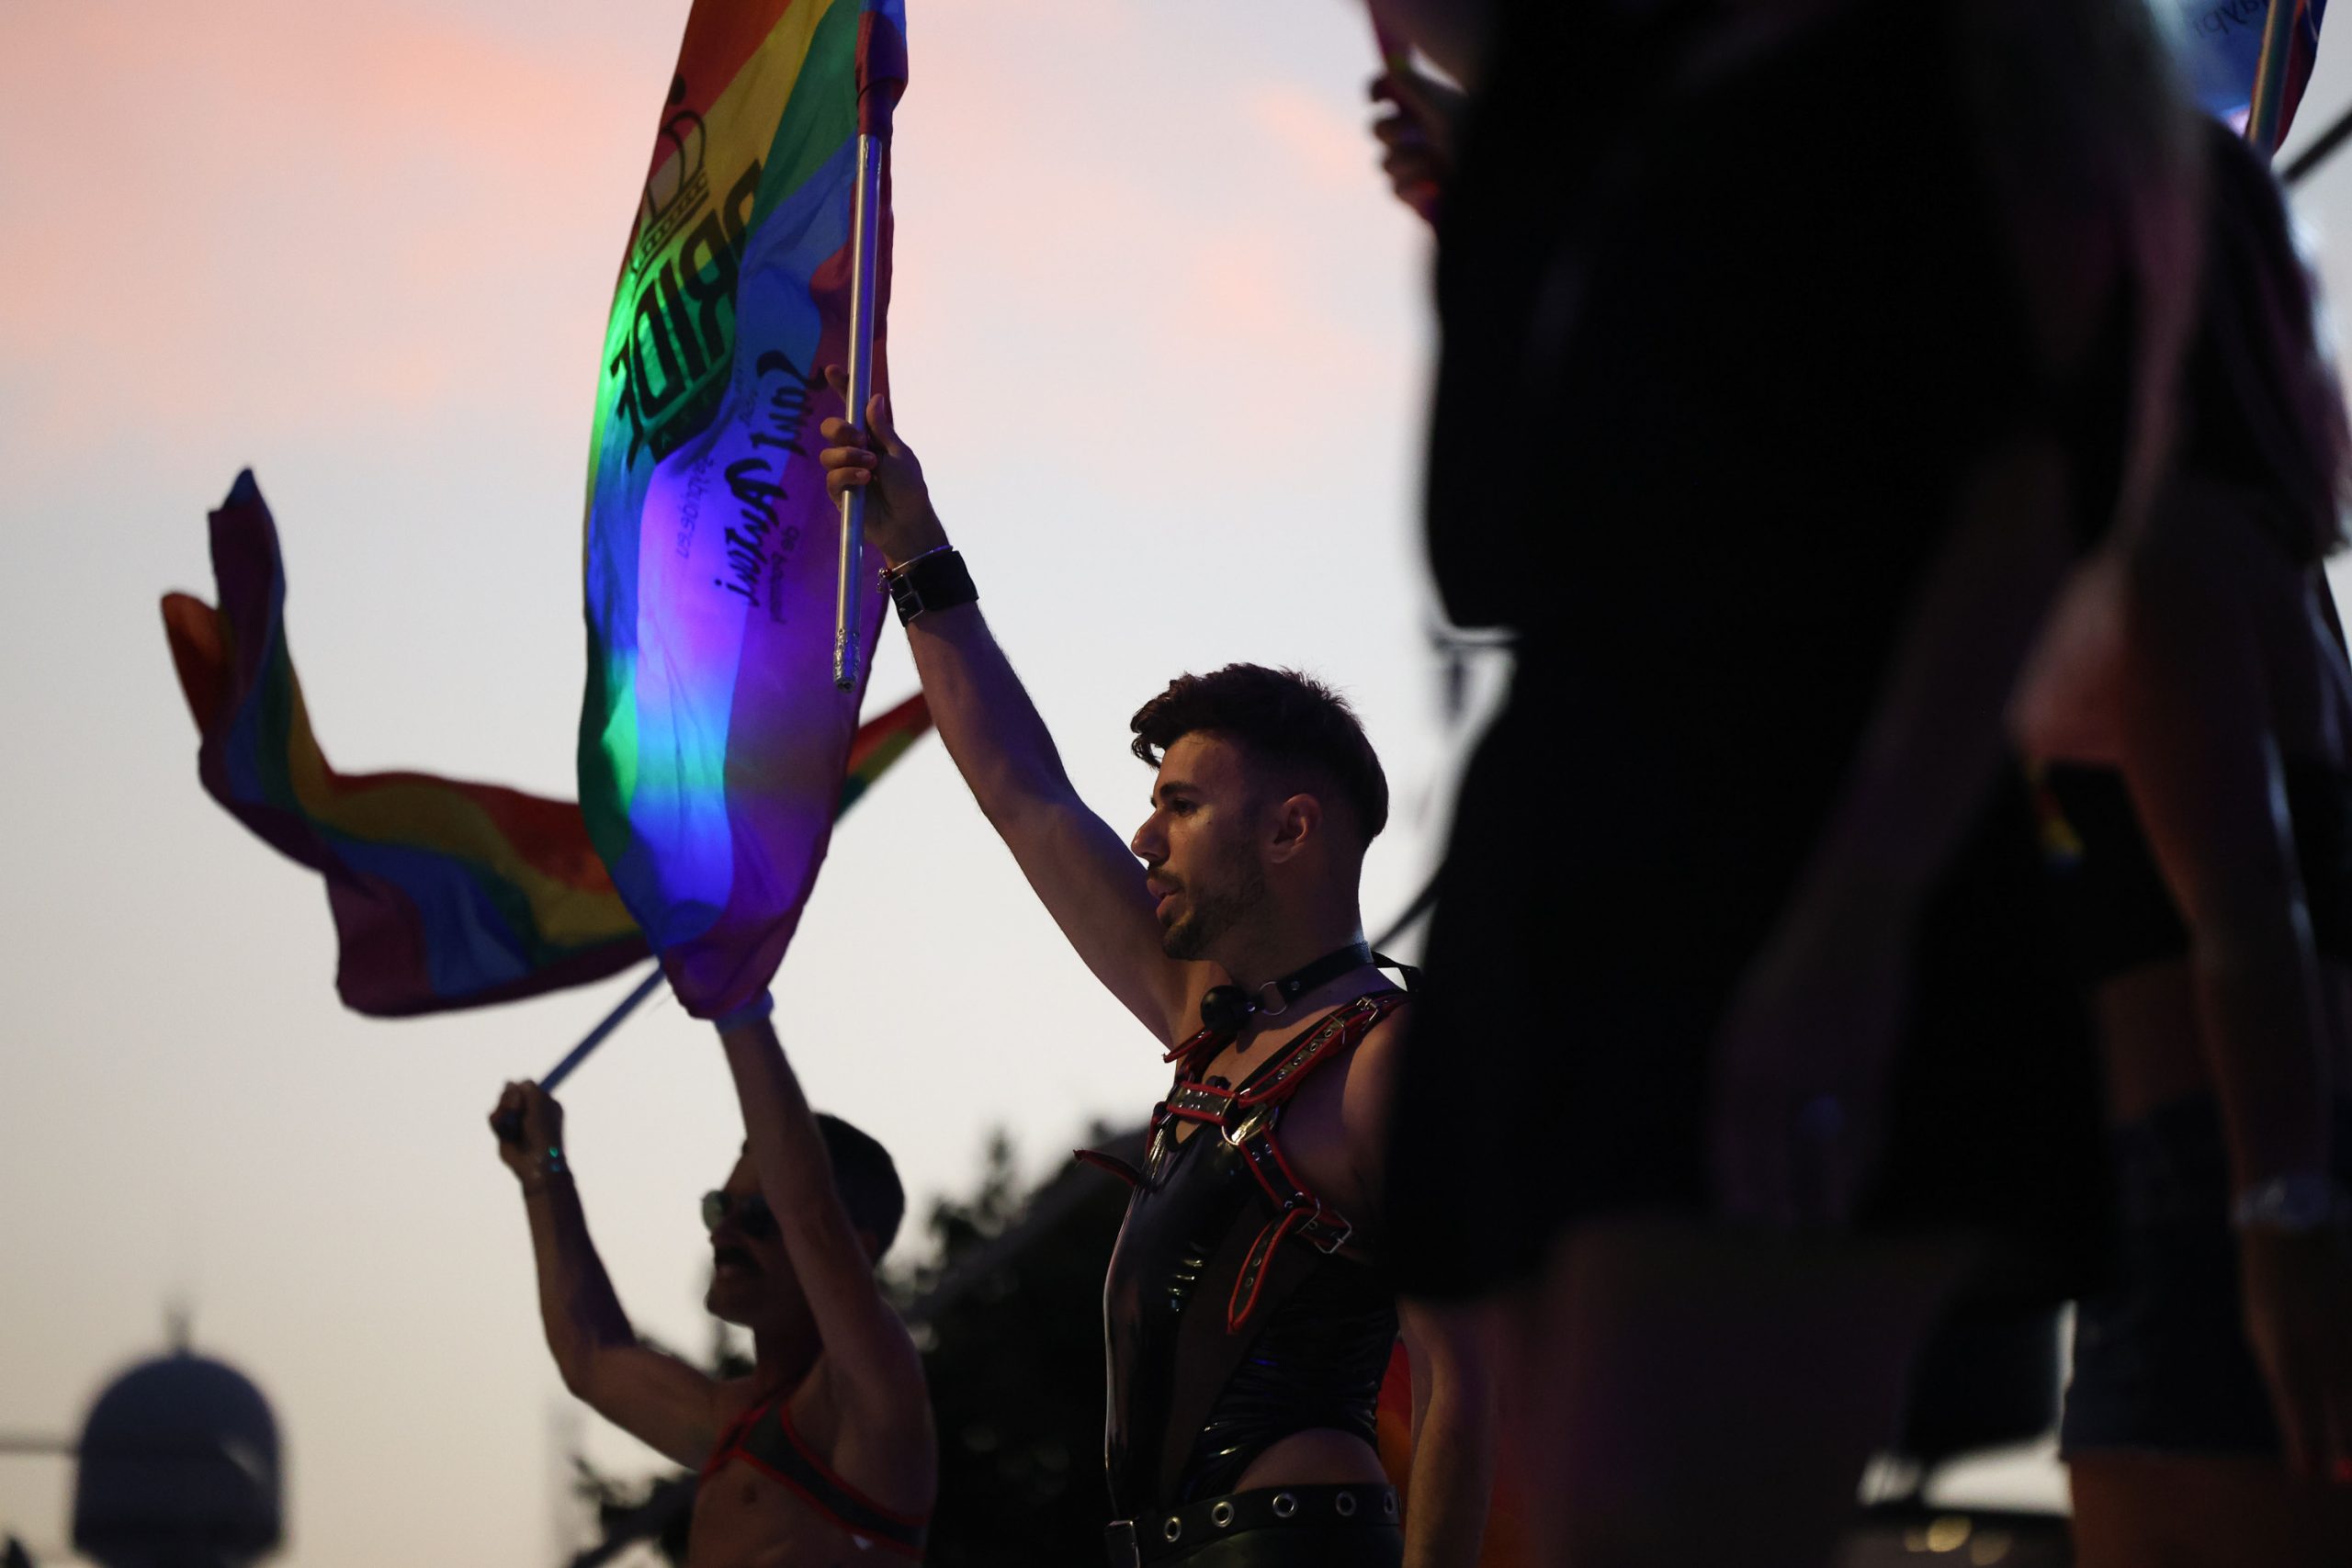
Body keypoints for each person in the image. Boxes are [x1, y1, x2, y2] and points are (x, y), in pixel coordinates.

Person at [1368, 1, 2202, 1565]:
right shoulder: (1591, 110)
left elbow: (2013, 508)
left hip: (1782, 853)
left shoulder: (1908, 78)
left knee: (1664, 1520)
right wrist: (1512, 217)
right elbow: (1494, 541)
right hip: (1583, 861)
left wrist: (1856, 921)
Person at [815, 396, 1495, 1568]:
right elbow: (1023, 793)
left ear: (1291, 830)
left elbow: (1466, 1388)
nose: (1142, 838)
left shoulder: (1389, 1058)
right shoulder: (1206, 1023)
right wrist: (910, 548)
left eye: (1180, 805)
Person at [2017, 121, 2352, 1567]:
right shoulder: (2254, 556)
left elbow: (2249, 905)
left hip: (2220, 1184)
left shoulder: (2156, 554)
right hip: (2238, 1173)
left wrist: (2282, 1210)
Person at [490, 1004, 935, 1564]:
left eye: (756, 1217)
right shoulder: (733, 1421)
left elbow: (809, 1210)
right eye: (719, 1206)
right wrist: (542, 1171)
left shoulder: (872, 1395)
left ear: (856, 1246)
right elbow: (590, 1355)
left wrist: (739, 1007)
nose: (724, 1231)